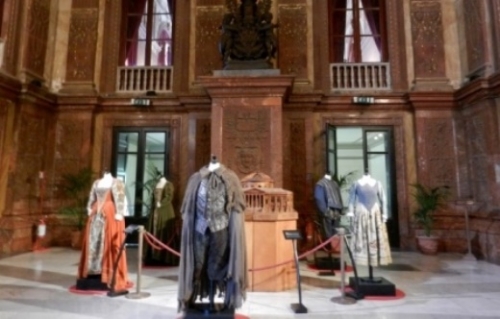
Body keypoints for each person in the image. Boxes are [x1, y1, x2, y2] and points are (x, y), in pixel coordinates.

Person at [177, 156, 247, 313]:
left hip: (221, 229)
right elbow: (188, 205)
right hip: (199, 230)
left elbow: (237, 205)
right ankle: (195, 296)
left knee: (217, 267)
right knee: (198, 265)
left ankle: (214, 299)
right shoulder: (196, 178)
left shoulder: (230, 177)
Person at [77, 171, 129, 291]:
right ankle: (93, 271)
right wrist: (90, 208)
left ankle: (107, 273)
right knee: (93, 242)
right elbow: (92, 197)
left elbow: (120, 198)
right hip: (95, 216)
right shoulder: (96, 183)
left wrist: (119, 213)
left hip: (110, 215)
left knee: (107, 242)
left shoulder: (117, 183)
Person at [347, 172, 392, 267]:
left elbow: (383, 199)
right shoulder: (356, 183)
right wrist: (350, 214)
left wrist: (384, 214)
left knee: (375, 234)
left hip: (374, 213)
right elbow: (351, 200)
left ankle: (374, 257)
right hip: (361, 212)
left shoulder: (377, 183)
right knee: (361, 235)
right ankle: (361, 256)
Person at [144, 175, 179, 266]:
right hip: (156, 211)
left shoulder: (168, 185)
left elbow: (169, 197)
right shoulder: (157, 184)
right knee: (153, 231)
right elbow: (153, 198)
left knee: (163, 234)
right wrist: (154, 207)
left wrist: (161, 204)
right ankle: (154, 256)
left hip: (165, 212)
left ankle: (164, 258)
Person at [314, 172, 344, 239]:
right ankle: (334, 247)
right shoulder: (335, 183)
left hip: (328, 210)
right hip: (337, 210)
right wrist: (341, 209)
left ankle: (330, 247)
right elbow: (339, 197)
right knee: (335, 232)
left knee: (328, 233)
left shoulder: (320, 183)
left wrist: (324, 210)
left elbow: (318, 198)